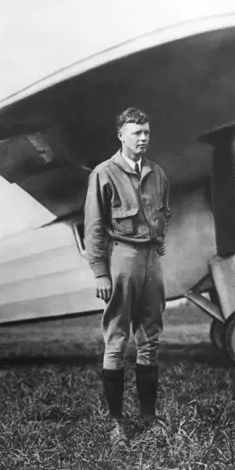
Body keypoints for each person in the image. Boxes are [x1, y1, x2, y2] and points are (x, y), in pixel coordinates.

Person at [84, 107, 171, 446]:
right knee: (117, 338)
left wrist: (159, 242)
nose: (143, 138)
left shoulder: (157, 172)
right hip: (122, 258)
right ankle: (116, 424)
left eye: (146, 132)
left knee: (150, 337)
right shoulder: (104, 173)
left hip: (152, 260)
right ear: (121, 135)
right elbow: (94, 227)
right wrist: (100, 273)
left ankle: (149, 420)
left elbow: (165, 211)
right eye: (136, 133)